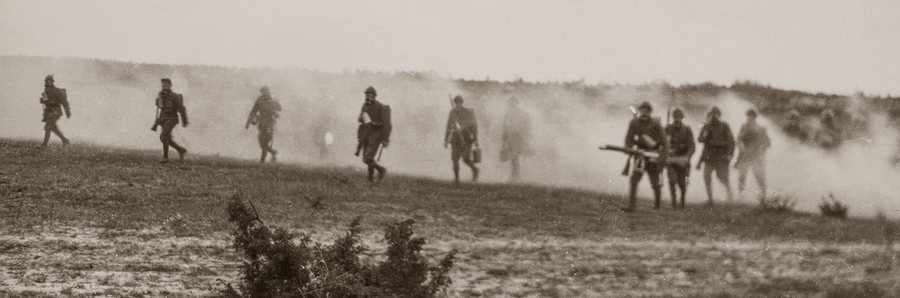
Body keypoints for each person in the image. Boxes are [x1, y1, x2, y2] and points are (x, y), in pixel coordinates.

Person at [621, 101, 666, 211]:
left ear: (650, 112)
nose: (644, 113)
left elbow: (664, 141)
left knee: (655, 183)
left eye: (647, 111)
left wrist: (660, 155)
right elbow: (628, 138)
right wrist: (631, 148)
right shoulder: (634, 123)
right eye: (642, 111)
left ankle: (657, 206)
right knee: (634, 180)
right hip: (640, 156)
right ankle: (632, 205)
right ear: (640, 111)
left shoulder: (656, 123)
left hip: (652, 156)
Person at [697, 106, 734, 205]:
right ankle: (710, 199)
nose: (715, 116)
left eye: (717, 114)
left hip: (721, 157)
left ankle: (730, 194)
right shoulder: (707, 126)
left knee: (722, 178)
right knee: (707, 177)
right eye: (713, 114)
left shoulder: (724, 126)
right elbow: (700, 139)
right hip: (709, 157)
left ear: (719, 115)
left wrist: (730, 154)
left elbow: (731, 141)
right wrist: (706, 128)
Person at [357, 86, 391, 183]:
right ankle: (377, 173)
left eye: (370, 95)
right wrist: (361, 118)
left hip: (376, 135)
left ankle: (373, 177)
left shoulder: (380, 107)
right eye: (367, 95)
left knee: (368, 157)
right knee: (366, 159)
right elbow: (360, 118)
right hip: (366, 134)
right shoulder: (364, 106)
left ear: (374, 96)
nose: (368, 96)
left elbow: (386, 124)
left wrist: (385, 139)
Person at [735, 109, 770, 201]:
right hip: (745, 155)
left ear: (755, 117)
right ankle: (740, 196)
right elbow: (738, 140)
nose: (750, 118)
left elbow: (767, 142)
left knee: (759, 176)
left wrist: (761, 149)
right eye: (748, 116)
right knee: (742, 176)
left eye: (752, 116)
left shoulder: (761, 129)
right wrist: (741, 146)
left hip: (756, 156)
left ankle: (763, 196)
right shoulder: (744, 127)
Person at [445, 95, 480, 184]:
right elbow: (448, 126)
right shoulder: (452, 112)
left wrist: (475, 140)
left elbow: (474, 126)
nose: (458, 104)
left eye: (459, 102)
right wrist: (446, 139)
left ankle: (475, 170)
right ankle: (457, 179)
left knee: (466, 158)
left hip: (466, 138)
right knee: (454, 159)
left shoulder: (468, 112)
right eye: (456, 102)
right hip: (455, 139)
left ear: (462, 103)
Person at [665, 107, 695, 209]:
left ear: (682, 117)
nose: (677, 119)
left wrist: (687, 157)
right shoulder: (668, 129)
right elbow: (662, 143)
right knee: (672, 181)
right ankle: (673, 203)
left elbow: (692, 146)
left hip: (683, 160)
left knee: (682, 184)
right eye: (675, 116)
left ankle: (682, 203)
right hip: (671, 160)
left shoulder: (687, 130)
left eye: (679, 117)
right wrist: (667, 149)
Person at [151, 78, 188, 162]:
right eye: (163, 84)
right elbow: (159, 105)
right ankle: (181, 150)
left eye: (166, 84)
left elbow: (182, 108)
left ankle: (165, 157)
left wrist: (184, 120)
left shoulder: (174, 96)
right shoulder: (161, 95)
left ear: (170, 85)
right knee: (166, 138)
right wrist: (157, 101)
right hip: (163, 119)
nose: (164, 86)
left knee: (164, 136)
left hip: (172, 118)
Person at [246, 86, 282, 164]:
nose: (264, 93)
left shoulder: (273, 99)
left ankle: (262, 161)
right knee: (261, 143)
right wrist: (248, 122)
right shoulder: (259, 100)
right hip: (262, 122)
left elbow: (279, 108)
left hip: (270, 122)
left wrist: (275, 103)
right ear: (261, 92)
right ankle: (272, 152)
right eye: (263, 91)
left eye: (266, 91)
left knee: (265, 142)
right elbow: (253, 111)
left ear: (268, 91)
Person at [500, 96, 531, 180]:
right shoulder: (507, 113)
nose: (511, 103)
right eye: (510, 102)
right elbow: (504, 126)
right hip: (510, 137)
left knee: (514, 156)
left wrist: (526, 138)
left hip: (518, 137)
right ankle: (515, 175)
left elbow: (526, 126)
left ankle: (515, 176)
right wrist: (504, 138)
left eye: (513, 102)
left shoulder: (522, 113)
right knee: (512, 156)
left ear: (517, 103)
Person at [38, 75, 71, 148]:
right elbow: (47, 102)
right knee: (52, 127)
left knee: (48, 127)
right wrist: (43, 100)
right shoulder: (46, 91)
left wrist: (68, 112)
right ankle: (65, 140)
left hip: (56, 111)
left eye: (49, 81)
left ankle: (44, 145)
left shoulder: (57, 91)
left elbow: (64, 102)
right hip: (49, 112)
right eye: (46, 81)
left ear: (52, 82)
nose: (48, 82)